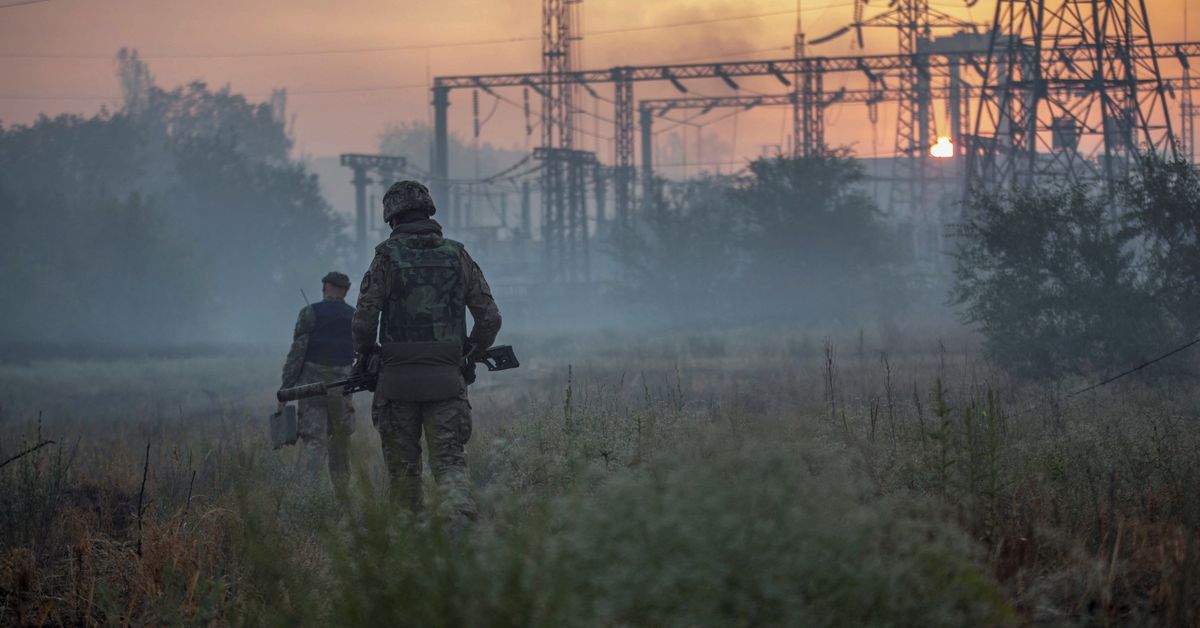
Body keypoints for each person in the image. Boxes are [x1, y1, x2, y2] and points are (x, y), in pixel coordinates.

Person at [352, 180, 501, 527]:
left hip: (396, 385)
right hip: (447, 384)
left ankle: (409, 557)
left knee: (404, 480)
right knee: (450, 468)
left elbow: (362, 322)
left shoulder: (385, 259)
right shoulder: (457, 255)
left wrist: (368, 355)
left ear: (391, 217)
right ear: (429, 210)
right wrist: (470, 352)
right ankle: (459, 544)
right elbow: (490, 317)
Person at [280, 271, 356, 481]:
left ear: (325, 287)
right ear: (346, 290)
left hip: (312, 388)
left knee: (315, 441)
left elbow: (297, 355)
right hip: (342, 388)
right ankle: (342, 497)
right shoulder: (355, 316)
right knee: (340, 442)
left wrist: (286, 391)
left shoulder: (309, 313)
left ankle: (310, 495)